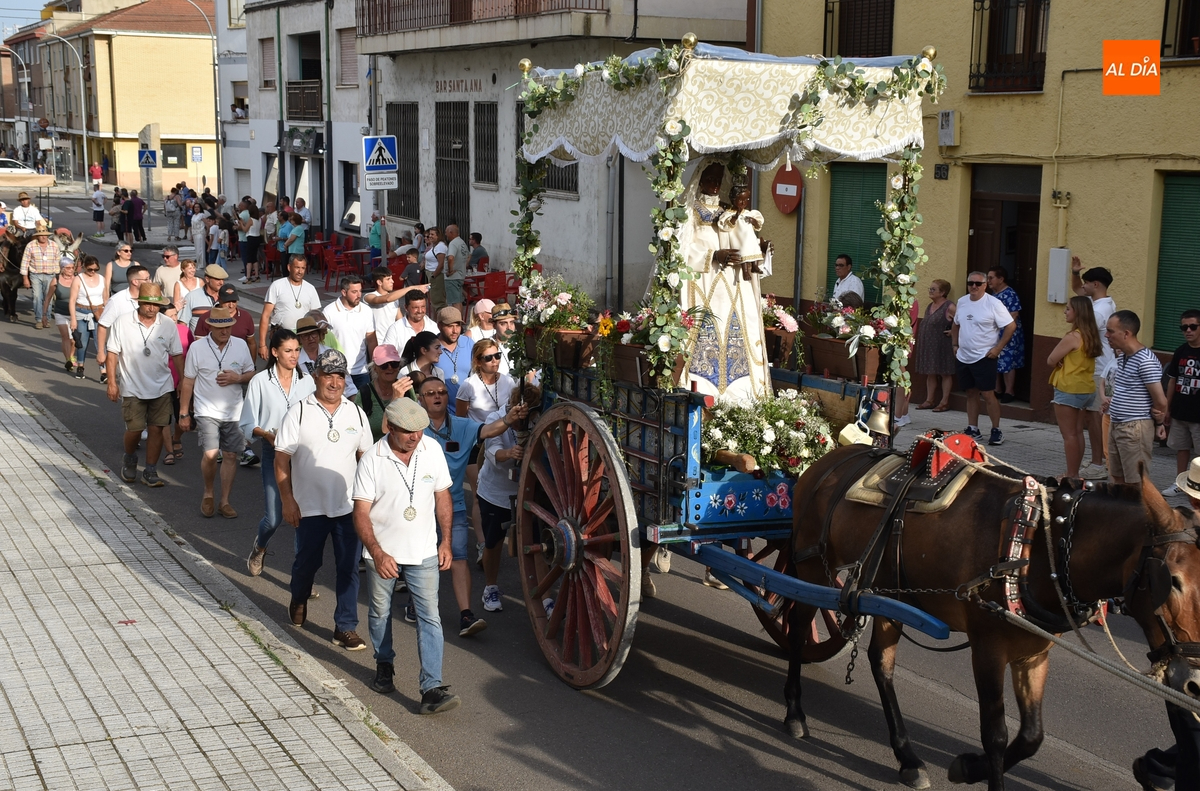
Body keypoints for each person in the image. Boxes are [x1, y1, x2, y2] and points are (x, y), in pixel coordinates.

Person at [351, 397, 460, 713]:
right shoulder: (372, 459)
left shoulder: (432, 450)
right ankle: (384, 663)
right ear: (390, 427)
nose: (415, 437)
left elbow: (442, 497)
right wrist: (377, 552)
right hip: (382, 553)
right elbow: (360, 512)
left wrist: (445, 542)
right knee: (380, 613)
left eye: (420, 430)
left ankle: (431, 688)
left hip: (424, 550)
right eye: (408, 431)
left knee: (430, 616)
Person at [275, 349, 372, 651]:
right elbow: (281, 461)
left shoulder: (356, 412)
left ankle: (345, 627)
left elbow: (366, 458)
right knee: (307, 563)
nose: (334, 381)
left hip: (347, 506)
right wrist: (288, 501)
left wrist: (370, 503)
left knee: (348, 567)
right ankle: (299, 595)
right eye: (328, 374)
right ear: (316, 376)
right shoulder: (299, 411)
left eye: (340, 375)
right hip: (309, 507)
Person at [415, 375, 526, 637]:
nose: (437, 396)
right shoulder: (413, 428)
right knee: (422, 561)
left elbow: (487, 431)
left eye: (441, 391)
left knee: (459, 558)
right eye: (430, 393)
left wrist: (509, 419)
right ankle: (416, 604)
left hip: (452, 505)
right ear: (420, 400)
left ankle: (466, 615)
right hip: (418, 506)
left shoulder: (463, 426)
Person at [679, 163, 771, 402]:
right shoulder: (689, 212)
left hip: (730, 284)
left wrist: (758, 248)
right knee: (703, 333)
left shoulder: (728, 213)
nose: (715, 185)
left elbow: (743, 245)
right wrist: (713, 255)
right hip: (701, 282)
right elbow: (682, 251)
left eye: (718, 180)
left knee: (734, 333)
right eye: (710, 179)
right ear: (699, 180)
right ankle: (700, 390)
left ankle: (737, 397)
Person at [241, 329, 317, 575]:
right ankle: (260, 546)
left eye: (297, 350)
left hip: (303, 454)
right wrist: (265, 434)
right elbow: (246, 423)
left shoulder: (308, 381)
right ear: (274, 352)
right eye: (288, 350)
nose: (294, 355)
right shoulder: (260, 381)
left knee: (302, 519)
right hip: (273, 452)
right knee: (274, 518)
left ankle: (302, 576)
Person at [105, 283, 183, 487]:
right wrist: (112, 382)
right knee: (135, 429)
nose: (152, 308)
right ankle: (129, 457)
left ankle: (150, 470)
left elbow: (176, 355)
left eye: (156, 305)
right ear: (139, 302)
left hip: (162, 386)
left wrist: (182, 380)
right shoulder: (122, 322)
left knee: (157, 428)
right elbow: (112, 353)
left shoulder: (167, 324)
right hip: (132, 386)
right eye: (148, 304)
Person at [180, 307, 255, 517]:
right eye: (220, 327)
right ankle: (208, 492)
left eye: (229, 326)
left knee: (231, 455)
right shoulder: (197, 348)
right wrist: (184, 412)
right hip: (206, 410)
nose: (225, 331)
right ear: (210, 326)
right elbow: (188, 381)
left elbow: (251, 372)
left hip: (234, 411)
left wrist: (237, 378)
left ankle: (224, 501)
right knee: (211, 454)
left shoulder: (240, 345)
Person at [478, 385, 541, 612]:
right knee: (493, 542)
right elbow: (491, 450)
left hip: (528, 492)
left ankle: (542, 594)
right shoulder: (496, 417)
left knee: (537, 543)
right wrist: (510, 453)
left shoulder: (537, 418)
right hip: (495, 492)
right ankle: (490, 587)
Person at [456, 339, 516, 569]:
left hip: (504, 436)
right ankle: (482, 542)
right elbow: (462, 420)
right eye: (488, 358)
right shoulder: (468, 385)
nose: (494, 361)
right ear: (477, 361)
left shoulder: (509, 381)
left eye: (497, 355)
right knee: (481, 492)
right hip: (477, 443)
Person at [1102, 310, 1168, 485]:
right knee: (1116, 477)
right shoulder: (1124, 355)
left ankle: (1138, 512)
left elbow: (1160, 400)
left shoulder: (1145, 361)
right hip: (1117, 423)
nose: (1106, 335)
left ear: (1126, 334)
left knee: (1136, 482)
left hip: (1134, 427)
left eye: (1110, 331)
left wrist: (1159, 423)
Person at [951, 271, 1016, 446]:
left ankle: (996, 430)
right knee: (971, 393)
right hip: (964, 356)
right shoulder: (962, 302)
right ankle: (973, 428)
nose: (974, 286)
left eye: (978, 284)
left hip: (984, 356)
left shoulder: (993, 304)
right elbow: (956, 324)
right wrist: (955, 345)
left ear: (985, 285)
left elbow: (1011, 326)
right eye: (970, 283)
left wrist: (998, 348)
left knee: (988, 394)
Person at [1071, 257, 1117, 480]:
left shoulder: (1098, 312)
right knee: (1093, 418)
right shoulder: (1103, 303)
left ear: (1096, 284)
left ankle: (1099, 464)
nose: (1083, 287)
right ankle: (1100, 460)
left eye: (1087, 283)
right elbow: (1077, 290)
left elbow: (1085, 335)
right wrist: (1075, 273)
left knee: (1096, 419)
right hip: (1099, 369)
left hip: (1100, 370)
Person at [1047, 297, 1102, 478]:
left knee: (1069, 435)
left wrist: (1061, 361)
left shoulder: (1072, 337)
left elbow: (1051, 360)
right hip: (1086, 388)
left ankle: (1071, 475)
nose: (1065, 312)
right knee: (1078, 433)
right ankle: (1075, 472)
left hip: (1068, 388)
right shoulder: (1091, 335)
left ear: (1077, 312)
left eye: (1068, 309)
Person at [1160, 310, 1200, 498]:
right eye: (1184, 327)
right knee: (1181, 448)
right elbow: (1172, 381)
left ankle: (1197, 486)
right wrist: (1168, 408)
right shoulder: (1180, 351)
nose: (1188, 331)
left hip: (1198, 414)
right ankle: (1180, 482)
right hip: (1180, 411)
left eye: (1193, 326)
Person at [324, 275, 377, 404]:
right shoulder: (329, 312)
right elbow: (325, 346)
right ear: (344, 292)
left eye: (360, 291)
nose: (359, 295)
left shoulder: (366, 311)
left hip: (362, 372)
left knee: (365, 408)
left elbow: (371, 340)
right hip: (339, 372)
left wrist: (375, 367)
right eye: (354, 292)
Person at [96, 264, 150, 385]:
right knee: (131, 392)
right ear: (135, 282)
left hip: (149, 352)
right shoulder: (117, 301)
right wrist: (101, 352)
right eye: (146, 279)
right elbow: (102, 326)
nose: (150, 281)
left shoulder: (151, 299)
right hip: (126, 355)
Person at [259, 254, 322, 354]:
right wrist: (262, 345)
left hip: (303, 339)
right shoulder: (277, 286)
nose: (300, 271)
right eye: (297, 267)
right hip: (281, 337)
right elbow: (265, 316)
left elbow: (316, 318)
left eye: (303, 268)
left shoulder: (311, 289)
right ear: (289, 267)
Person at [915, 279, 957, 412]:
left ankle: (944, 402)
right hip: (929, 345)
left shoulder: (950, 307)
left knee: (945, 372)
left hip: (943, 345)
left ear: (943, 292)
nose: (930, 291)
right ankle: (929, 400)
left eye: (933, 289)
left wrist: (953, 332)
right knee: (930, 372)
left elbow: (961, 322)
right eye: (930, 288)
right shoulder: (929, 306)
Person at [357, 344, 414, 441]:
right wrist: (396, 398)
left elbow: (413, 424)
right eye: (384, 365)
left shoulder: (407, 389)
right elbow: (385, 429)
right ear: (375, 368)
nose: (390, 368)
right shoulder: (364, 393)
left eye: (394, 364)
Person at [296, 315, 359, 398]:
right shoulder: (295, 360)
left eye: (313, 334)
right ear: (299, 339)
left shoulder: (332, 354)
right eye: (305, 335)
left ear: (319, 335)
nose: (311, 338)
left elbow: (349, 386)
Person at [987, 266, 1024, 403]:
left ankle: (1009, 391)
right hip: (995, 333)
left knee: (1008, 362)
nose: (988, 281)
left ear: (1001, 279)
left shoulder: (1010, 294)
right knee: (994, 359)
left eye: (991, 278)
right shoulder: (993, 295)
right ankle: (997, 389)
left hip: (1008, 333)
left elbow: (1014, 314)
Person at [161, 301, 192, 465]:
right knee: (164, 418)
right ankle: (169, 450)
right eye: (170, 316)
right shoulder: (155, 332)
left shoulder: (184, 330)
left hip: (182, 381)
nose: (174, 319)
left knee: (182, 414)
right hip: (161, 382)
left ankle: (176, 437)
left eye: (175, 315)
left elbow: (192, 355)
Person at [365, 266, 427, 343]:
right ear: (379, 282)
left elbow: (400, 320)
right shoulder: (368, 296)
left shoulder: (394, 299)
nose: (392, 281)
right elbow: (387, 299)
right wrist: (412, 288)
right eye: (388, 279)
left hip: (392, 341)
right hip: (377, 342)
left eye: (392, 278)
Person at [69, 254, 106, 380]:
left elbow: (106, 298)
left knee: (99, 343)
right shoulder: (78, 279)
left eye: (95, 269)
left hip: (98, 313)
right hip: (81, 312)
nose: (93, 272)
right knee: (82, 342)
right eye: (90, 269)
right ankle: (80, 366)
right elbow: (72, 300)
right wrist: (73, 319)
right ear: (84, 267)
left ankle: (103, 371)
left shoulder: (102, 279)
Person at [195, 284, 256, 357]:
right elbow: (199, 346)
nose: (231, 305)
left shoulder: (246, 317)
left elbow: (251, 343)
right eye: (227, 301)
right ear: (219, 299)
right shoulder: (205, 318)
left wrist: (252, 365)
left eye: (234, 301)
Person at [20, 228, 59, 329]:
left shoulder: (54, 245)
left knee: (48, 298)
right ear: (37, 236)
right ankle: (38, 319)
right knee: (37, 296)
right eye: (41, 235)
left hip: (50, 275)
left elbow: (57, 261)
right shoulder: (31, 245)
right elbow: (25, 262)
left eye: (45, 235)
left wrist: (57, 276)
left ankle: (47, 318)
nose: (44, 237)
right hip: (35, 275)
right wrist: (25, 278)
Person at [44, 257, 77, 373]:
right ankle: (68, 359)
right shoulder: (56, 280)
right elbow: (48, 298)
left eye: (72, 268)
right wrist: (44, 315)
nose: (71, 270)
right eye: (68, 268)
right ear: (62, 268)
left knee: (75, 340)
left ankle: (72, 355)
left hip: (75, 313)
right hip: (60, 312)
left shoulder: (77, 280)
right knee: (66, 337)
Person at [435, 307, 474, 403]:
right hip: (442, 410)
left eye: (458, 325)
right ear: (439, 326)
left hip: (468, 408)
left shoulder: (469, 343)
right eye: (450, 326)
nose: (455, 331)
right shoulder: (432, 347)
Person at [181, 264, 228, 332]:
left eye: (223, 279)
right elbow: (183, 323)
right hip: (198, 340)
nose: (221, 283)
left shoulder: (226, 297)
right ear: (207, 279)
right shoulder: (191, 297)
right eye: (217, 279)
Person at [443, 223, 468, 318]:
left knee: (455, 302)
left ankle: (457, 321)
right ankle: (459, 321)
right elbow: (468, 256)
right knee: (458, 300)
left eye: (446, 232)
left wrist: (450, 270)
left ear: (451, 232)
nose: (446, 235)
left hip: (453, 277)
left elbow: (450, 258)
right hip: (460, 275)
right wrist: (461, 266)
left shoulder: (453, 243)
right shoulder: (462, 243)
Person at [424, 227, 448, 313]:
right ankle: (436, 321)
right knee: (434, 300)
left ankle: (441, 321)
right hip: (431, 274)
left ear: (438, 236)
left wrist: (434, 275)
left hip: (436, 275)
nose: (430, 236)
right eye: (429, 234)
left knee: (438, 301)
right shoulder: (435, 246)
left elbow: (441, 263)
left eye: (432, 234)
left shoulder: (440, 246)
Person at [491, 302, 518, 377]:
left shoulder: (520, 342)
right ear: (494, 325)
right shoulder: (488, 346)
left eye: (512, 322)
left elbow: (530, 373)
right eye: (503, 323)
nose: (509, 327)